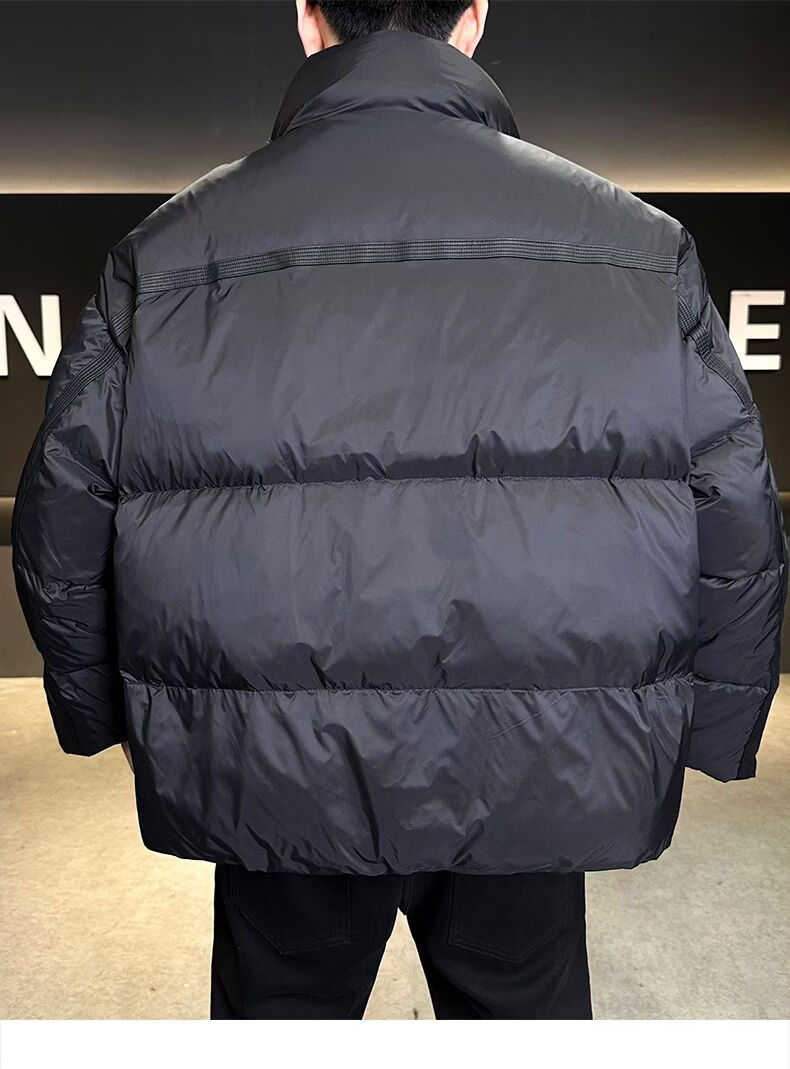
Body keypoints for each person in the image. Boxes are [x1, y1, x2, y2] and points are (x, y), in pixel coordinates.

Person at [11, 0, 786, 1021]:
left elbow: (62, 512)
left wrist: (107, 715)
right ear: (473, 21)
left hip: (275, 760)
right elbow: (735, 505)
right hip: (533, 752)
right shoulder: (636, 246)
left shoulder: (168, 251)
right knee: (523, 1020)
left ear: (307, 21)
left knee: (281, 1020)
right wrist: (715, 723)